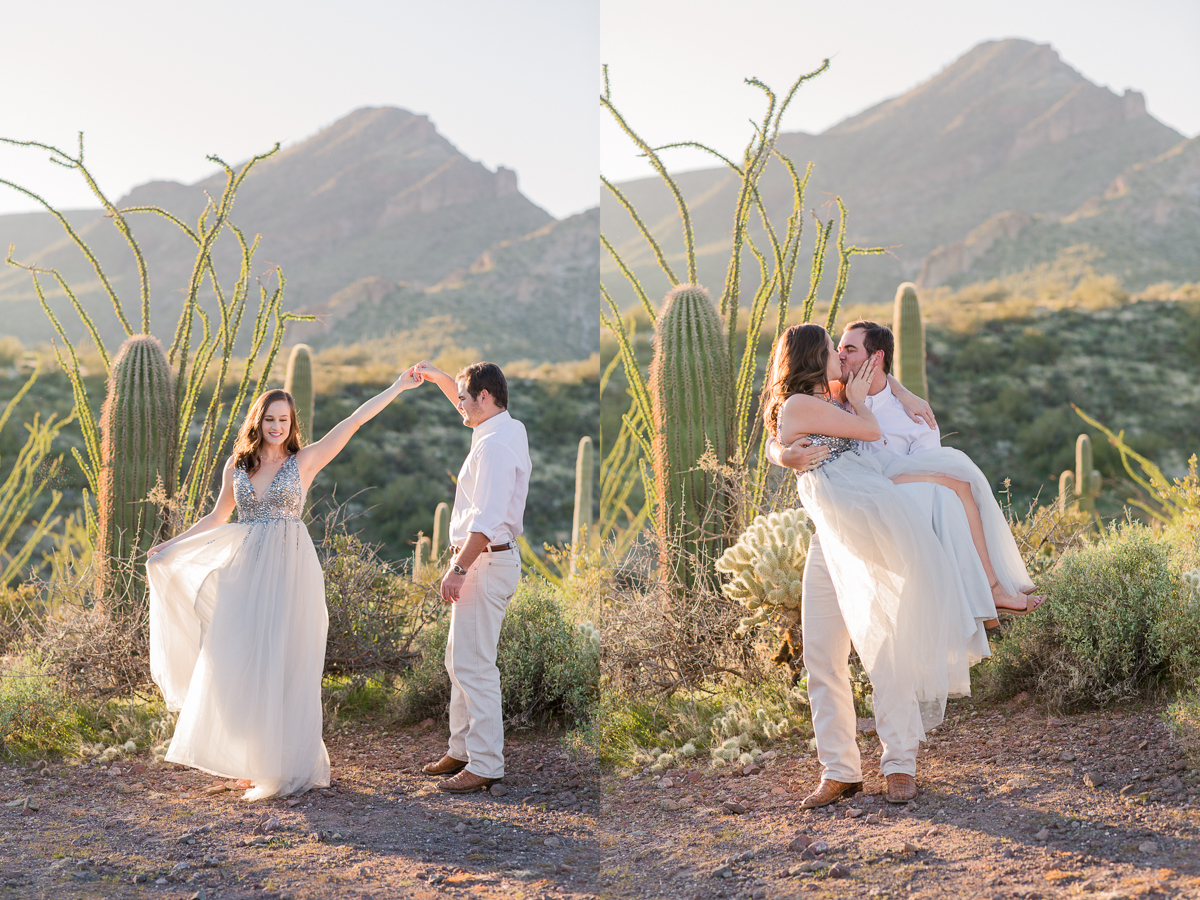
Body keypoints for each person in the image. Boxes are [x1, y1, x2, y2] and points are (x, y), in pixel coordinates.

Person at [764, 324, 1032, 806]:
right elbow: (793, 428)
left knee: (883, 643)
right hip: (830, 536)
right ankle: (840, 770)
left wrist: (902, 391)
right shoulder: (813, 401)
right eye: (832, 350)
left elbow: (867, 401)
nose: (840, 358)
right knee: (823, 654)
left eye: (844, 350)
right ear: (813, 358)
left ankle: (900, 763)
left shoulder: (837, 392)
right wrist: (782, 453)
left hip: (869, 523)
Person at [147, 371, 423, 800]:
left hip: (290, 570)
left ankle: (281, 763)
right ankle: (250, 758)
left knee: (284, 659)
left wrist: (397, 388)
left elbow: (352, 422)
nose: (277, 427)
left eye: (285, 420)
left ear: (293, 424)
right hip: (245, 571)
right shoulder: (236, 466)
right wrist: (173, 544)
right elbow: (218, 517)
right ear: (257, 421)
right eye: (270, 419)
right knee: (237, 658)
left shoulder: (303, 461)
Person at [413, 360, 531, 794]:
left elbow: (487, 517)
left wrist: (458, 568)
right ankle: (461, 750)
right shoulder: (503, 427)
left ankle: (485, 763)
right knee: (457, 660)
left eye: (464, 397)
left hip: (483, 561)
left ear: (485, 398)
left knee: (475, 665)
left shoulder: (495, 447)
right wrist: (443, 380)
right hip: (485, 560)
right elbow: (465, 407)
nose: (458, 405)